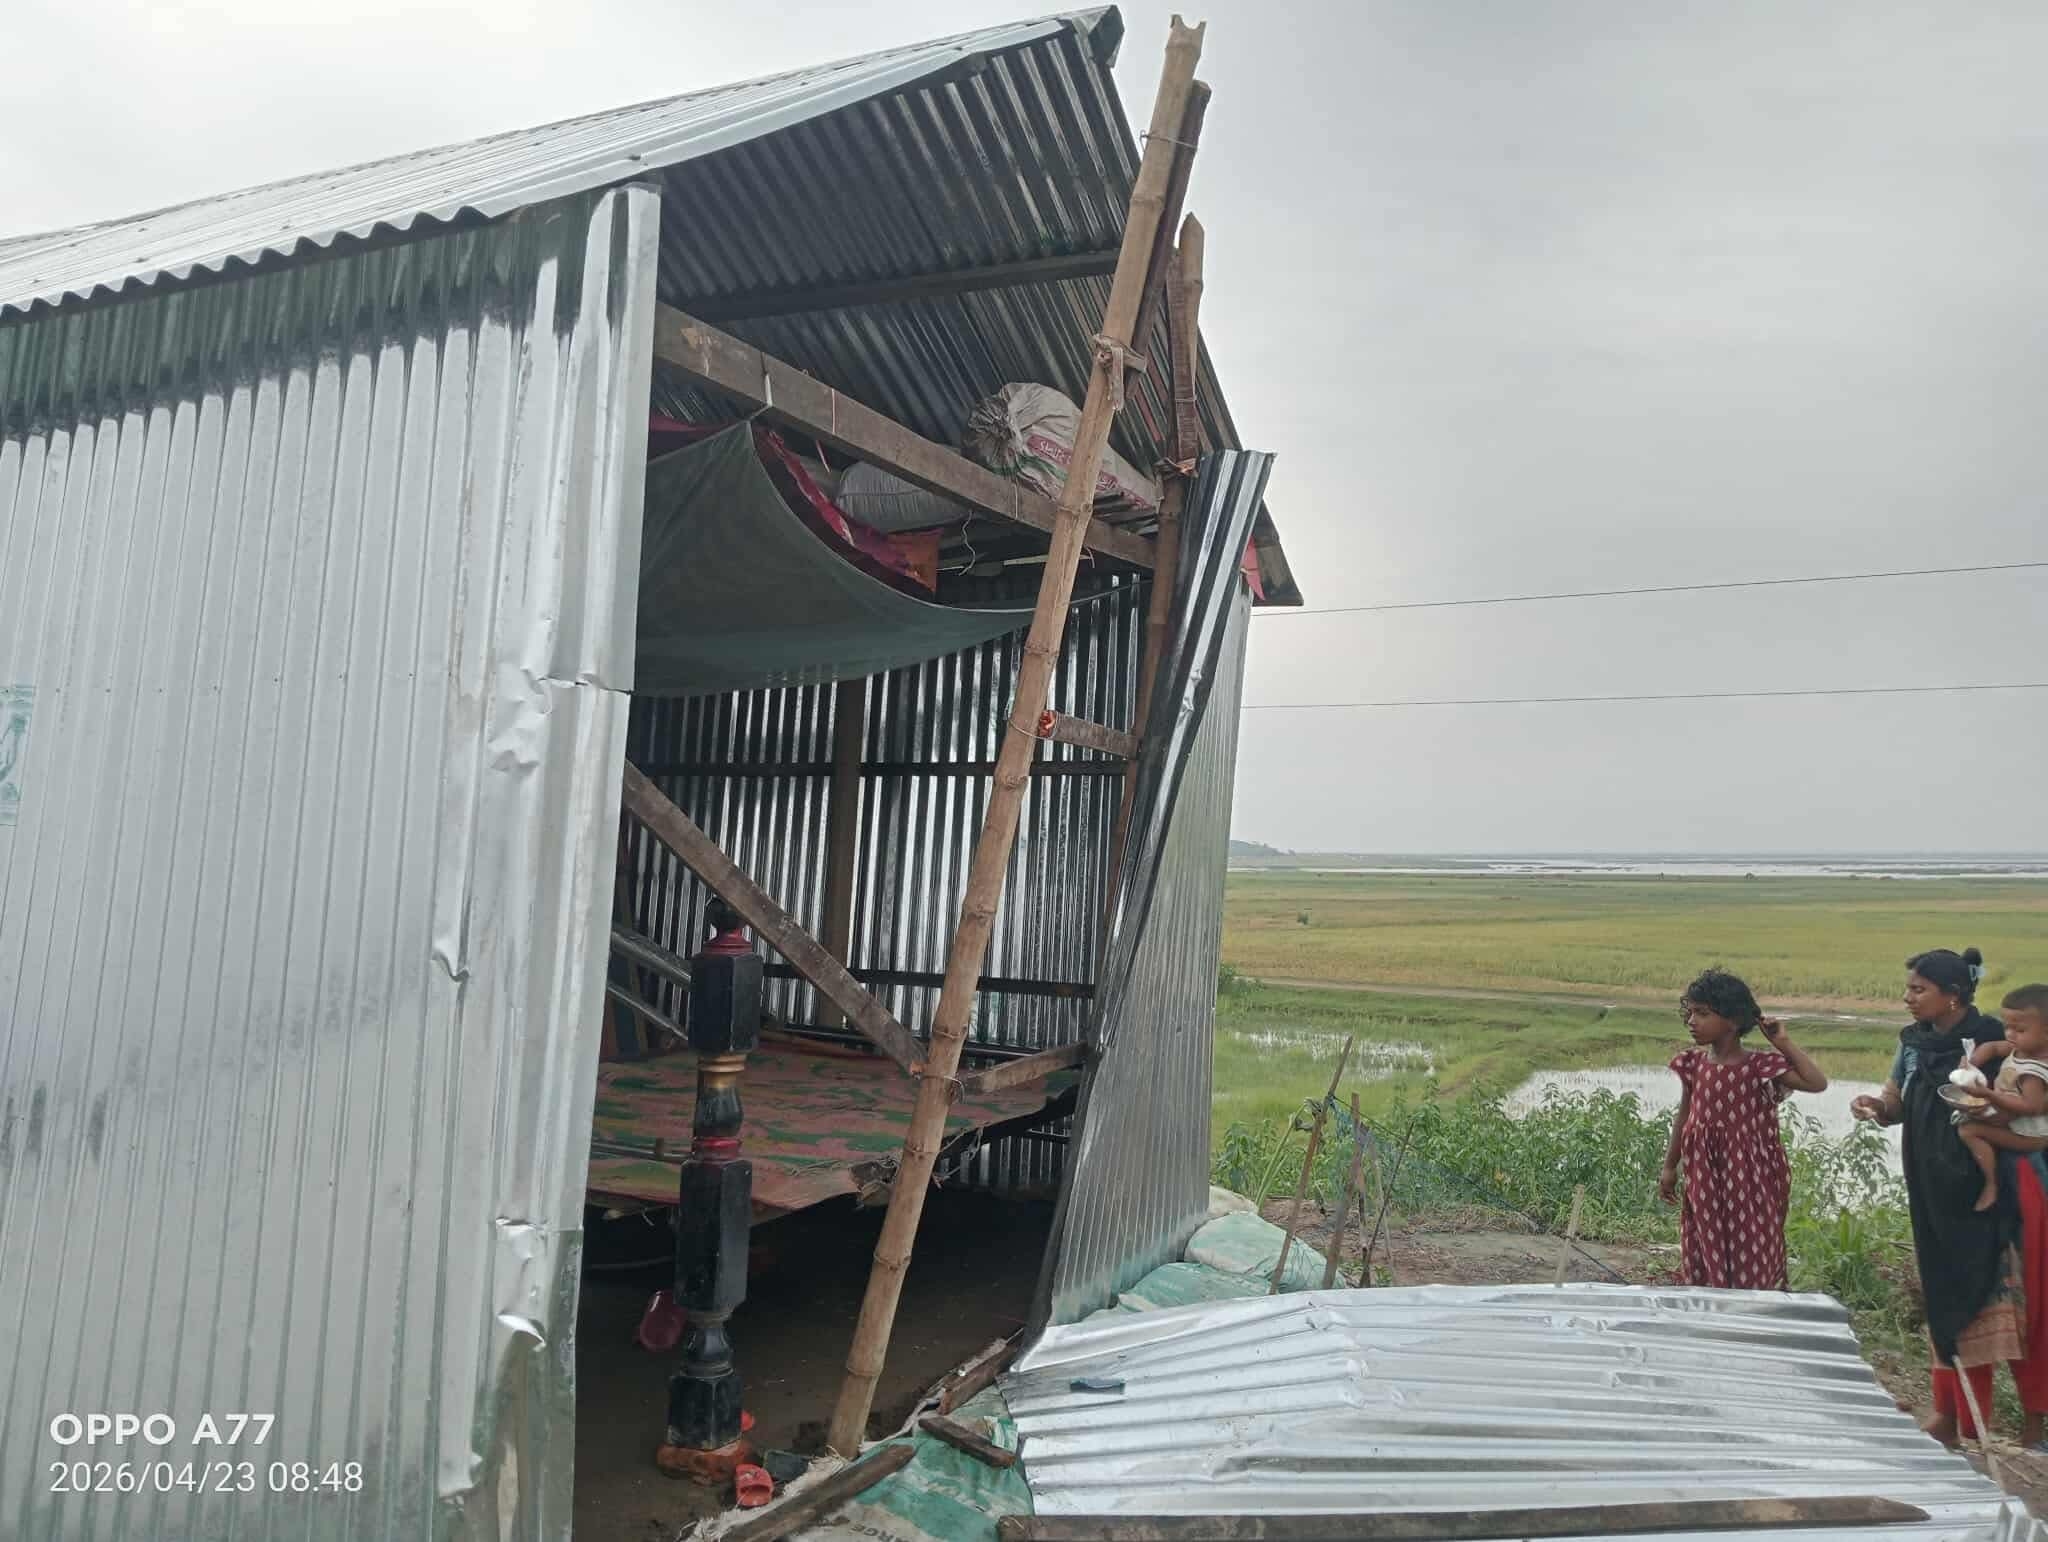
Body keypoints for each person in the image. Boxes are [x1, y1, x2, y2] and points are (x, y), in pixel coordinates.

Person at [1850, 949, 2048, 1447]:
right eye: (1909, 988)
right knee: (1945, 1293)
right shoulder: (1913, 1044)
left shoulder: (1996, 1040)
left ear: (1952, 994)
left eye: (1919, 989)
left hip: (1998, 1188)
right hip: (1934, 1186)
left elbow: (2028, 1107)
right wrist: (1875, 1106)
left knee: (2015, 1300)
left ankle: (2023, 1421)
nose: (1908, 998)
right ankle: (1952, 1415)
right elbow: (1896, 1102)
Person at [1658, 968, 1828, 1289]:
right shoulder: (1693, 1064)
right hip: (1704, 1173)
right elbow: (1684, 1117)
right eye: (1690, 1012)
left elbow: (1816, 1083)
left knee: (1753, 1238)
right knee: (1704, 1235)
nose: (1692, 1021)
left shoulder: (1758, 1066)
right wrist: (1669, 1165)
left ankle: (1754, 1305)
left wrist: (1782, 1042)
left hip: (1750, 1177)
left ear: (1734, 1020)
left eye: (1703, 1014)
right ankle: (1712, 1300)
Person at [1958, 996, 2048, 1211]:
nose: (2009, 1034)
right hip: (2014, 1122)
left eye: (2019, 1030)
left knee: (1968, 1130)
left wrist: (1988, 1095)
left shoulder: (2033, 1072)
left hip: (2030, 1136)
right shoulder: (2022, 1049)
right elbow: (1991, 1047)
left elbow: (2030, 1107)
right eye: (2007, 1027)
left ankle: (1991, 1184)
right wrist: (1971, 1064)